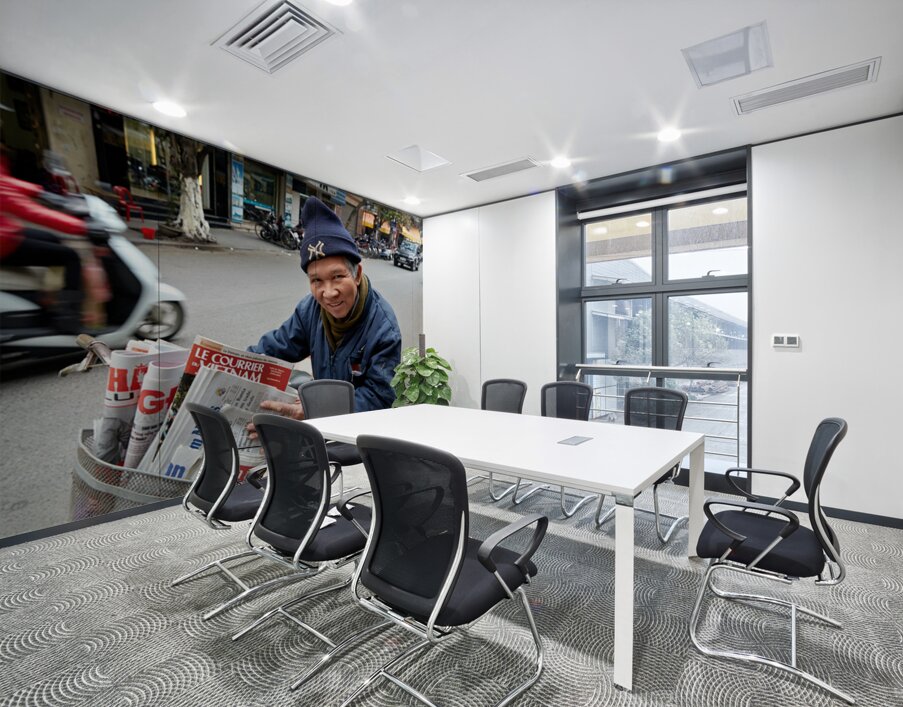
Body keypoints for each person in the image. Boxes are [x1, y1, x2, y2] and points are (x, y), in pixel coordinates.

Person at [248, 196, 402, 421]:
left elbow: (379, 397)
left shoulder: (383, 327)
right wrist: (231, 366)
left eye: (338, 276)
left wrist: (316, 409)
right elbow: (274, 349)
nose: (328, 293)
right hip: (317, 419)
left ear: (357, 274)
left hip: (354, 433)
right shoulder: (309, 309)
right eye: (317, 281)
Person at [0, 159, 88, 332]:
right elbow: (30, 211)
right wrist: (81, 227)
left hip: (5, 231)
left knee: (51, 238)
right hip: (4, 243)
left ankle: (49, 296)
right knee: (71, 256)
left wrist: (40, 191)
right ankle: (67, 316)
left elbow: (7, 184)